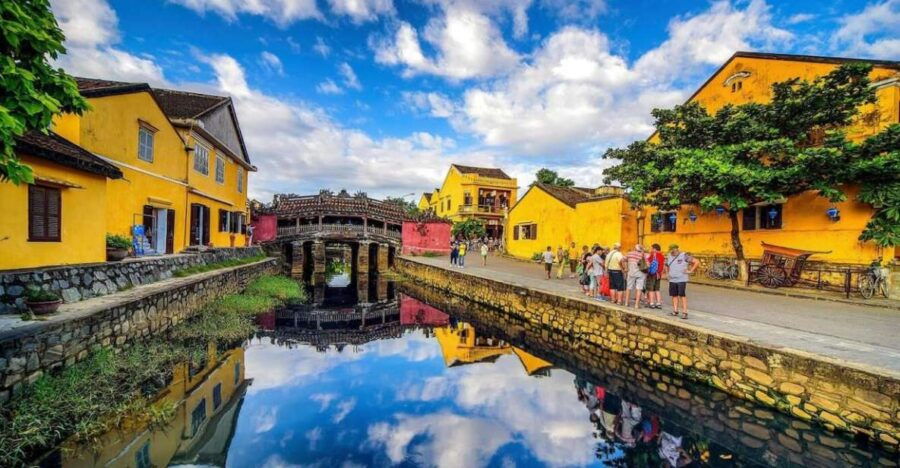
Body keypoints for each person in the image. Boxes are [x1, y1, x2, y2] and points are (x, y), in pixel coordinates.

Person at [664, 244, 699, 319]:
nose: (671, 252)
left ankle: (685, 312)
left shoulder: (684, 255)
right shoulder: (669, 256)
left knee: (682, 295)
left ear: (676, 249)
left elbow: (696, 262)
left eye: (672, 251)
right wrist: (667, 274)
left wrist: (690, 271)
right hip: (672, 279)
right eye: (670, 251)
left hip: (681, 279)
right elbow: (666, 265)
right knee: (674, 295)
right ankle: (675, 311)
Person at [624, 244, 648, 309]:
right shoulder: (644, 255)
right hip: (641, 273)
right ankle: (636, 305)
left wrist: (626, 268)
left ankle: (626, 303)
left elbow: (623, 260)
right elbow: (648, 264)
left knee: (628, 288)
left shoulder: (629, 253)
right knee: (639, 288)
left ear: (634, 248)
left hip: (631, 273)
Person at [645, 244, 665, 309]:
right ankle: (658, 303)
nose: (651, 250)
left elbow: (648, 262)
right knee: (657, 289)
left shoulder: (653, 255)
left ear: (655, 249)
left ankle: (651, 303)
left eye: (652, 248)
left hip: (652, 274)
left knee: (651, 289)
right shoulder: (662, 256)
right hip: (658, 274)